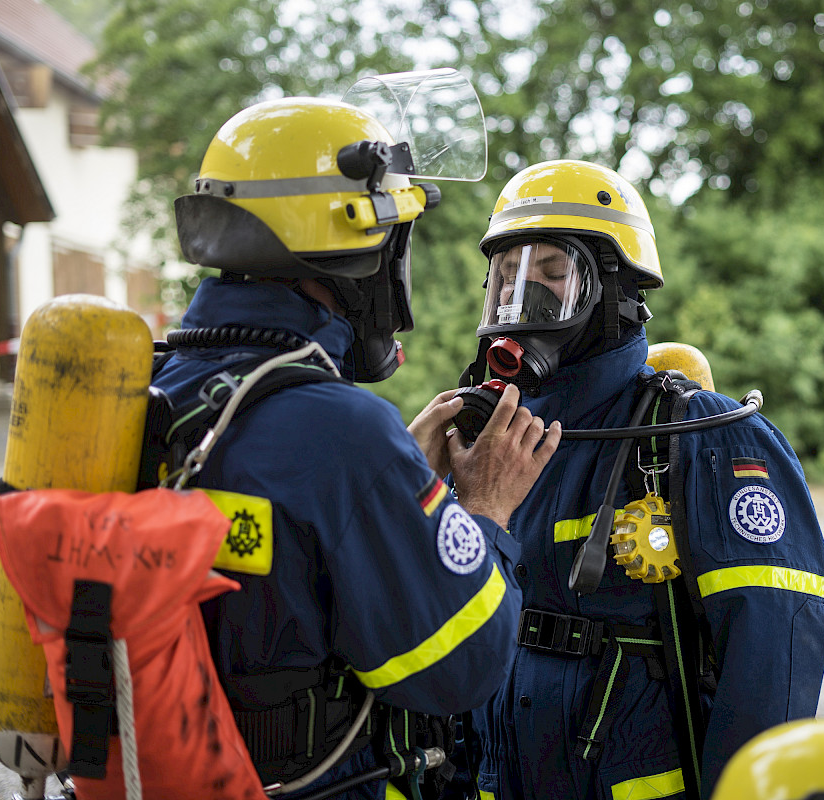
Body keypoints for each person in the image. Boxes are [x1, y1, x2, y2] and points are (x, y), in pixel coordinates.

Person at [153, 95, 560, 799]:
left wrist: (391, 488)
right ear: (355, 246)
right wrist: (484, 509)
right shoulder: (342, 432)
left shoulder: (159, 384)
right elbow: (460, 669)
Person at [451, 160, 824, 800]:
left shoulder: (699, 437)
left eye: (553, 275)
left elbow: (775, 655)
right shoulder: (488, 445)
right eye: (506, 278)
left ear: (616, 293)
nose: (523, 302)